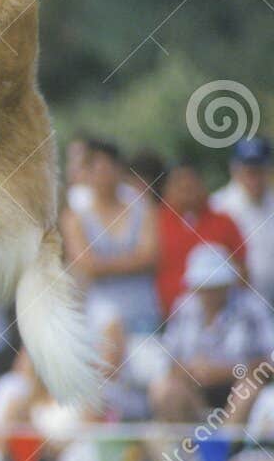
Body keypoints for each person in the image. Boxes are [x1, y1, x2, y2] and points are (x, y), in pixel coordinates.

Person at [151, 243, 274, 424]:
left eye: (215, 286)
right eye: (203, 287)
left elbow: (270, 361)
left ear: (227, 284)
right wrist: (192, 371)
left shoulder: (252, 307)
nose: (209, 293)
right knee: (163, 389)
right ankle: (193, 447)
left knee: (247, 389)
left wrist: (229, 371)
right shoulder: (183, 307)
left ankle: (222, 447)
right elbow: (169, 359)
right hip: (195, 392)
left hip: (238, 389)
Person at [62, 140, 158, 336]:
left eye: (108, 168)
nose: (103, 176)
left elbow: (151, 257)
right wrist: (133, 260)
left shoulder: (143, 208)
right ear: (87, 174)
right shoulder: (75, 217)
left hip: (143, 306)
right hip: (100, 308)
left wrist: (103, 265)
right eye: (97, 170)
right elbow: (86, 265)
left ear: (119, 170)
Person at [156, 160, 244, 318]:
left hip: (221, 319)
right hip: (168, 318)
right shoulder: (155, 222)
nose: (186, 189)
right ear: (167, 189)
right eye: (179, 185)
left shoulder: (224, 222)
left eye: (191, 184)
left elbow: (242, 269)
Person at [212, 136, 274, 305]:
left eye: (259, 170)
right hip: (235, 303)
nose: (254, 178)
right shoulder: (219, 205)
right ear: (235, 170)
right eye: (248, 171)